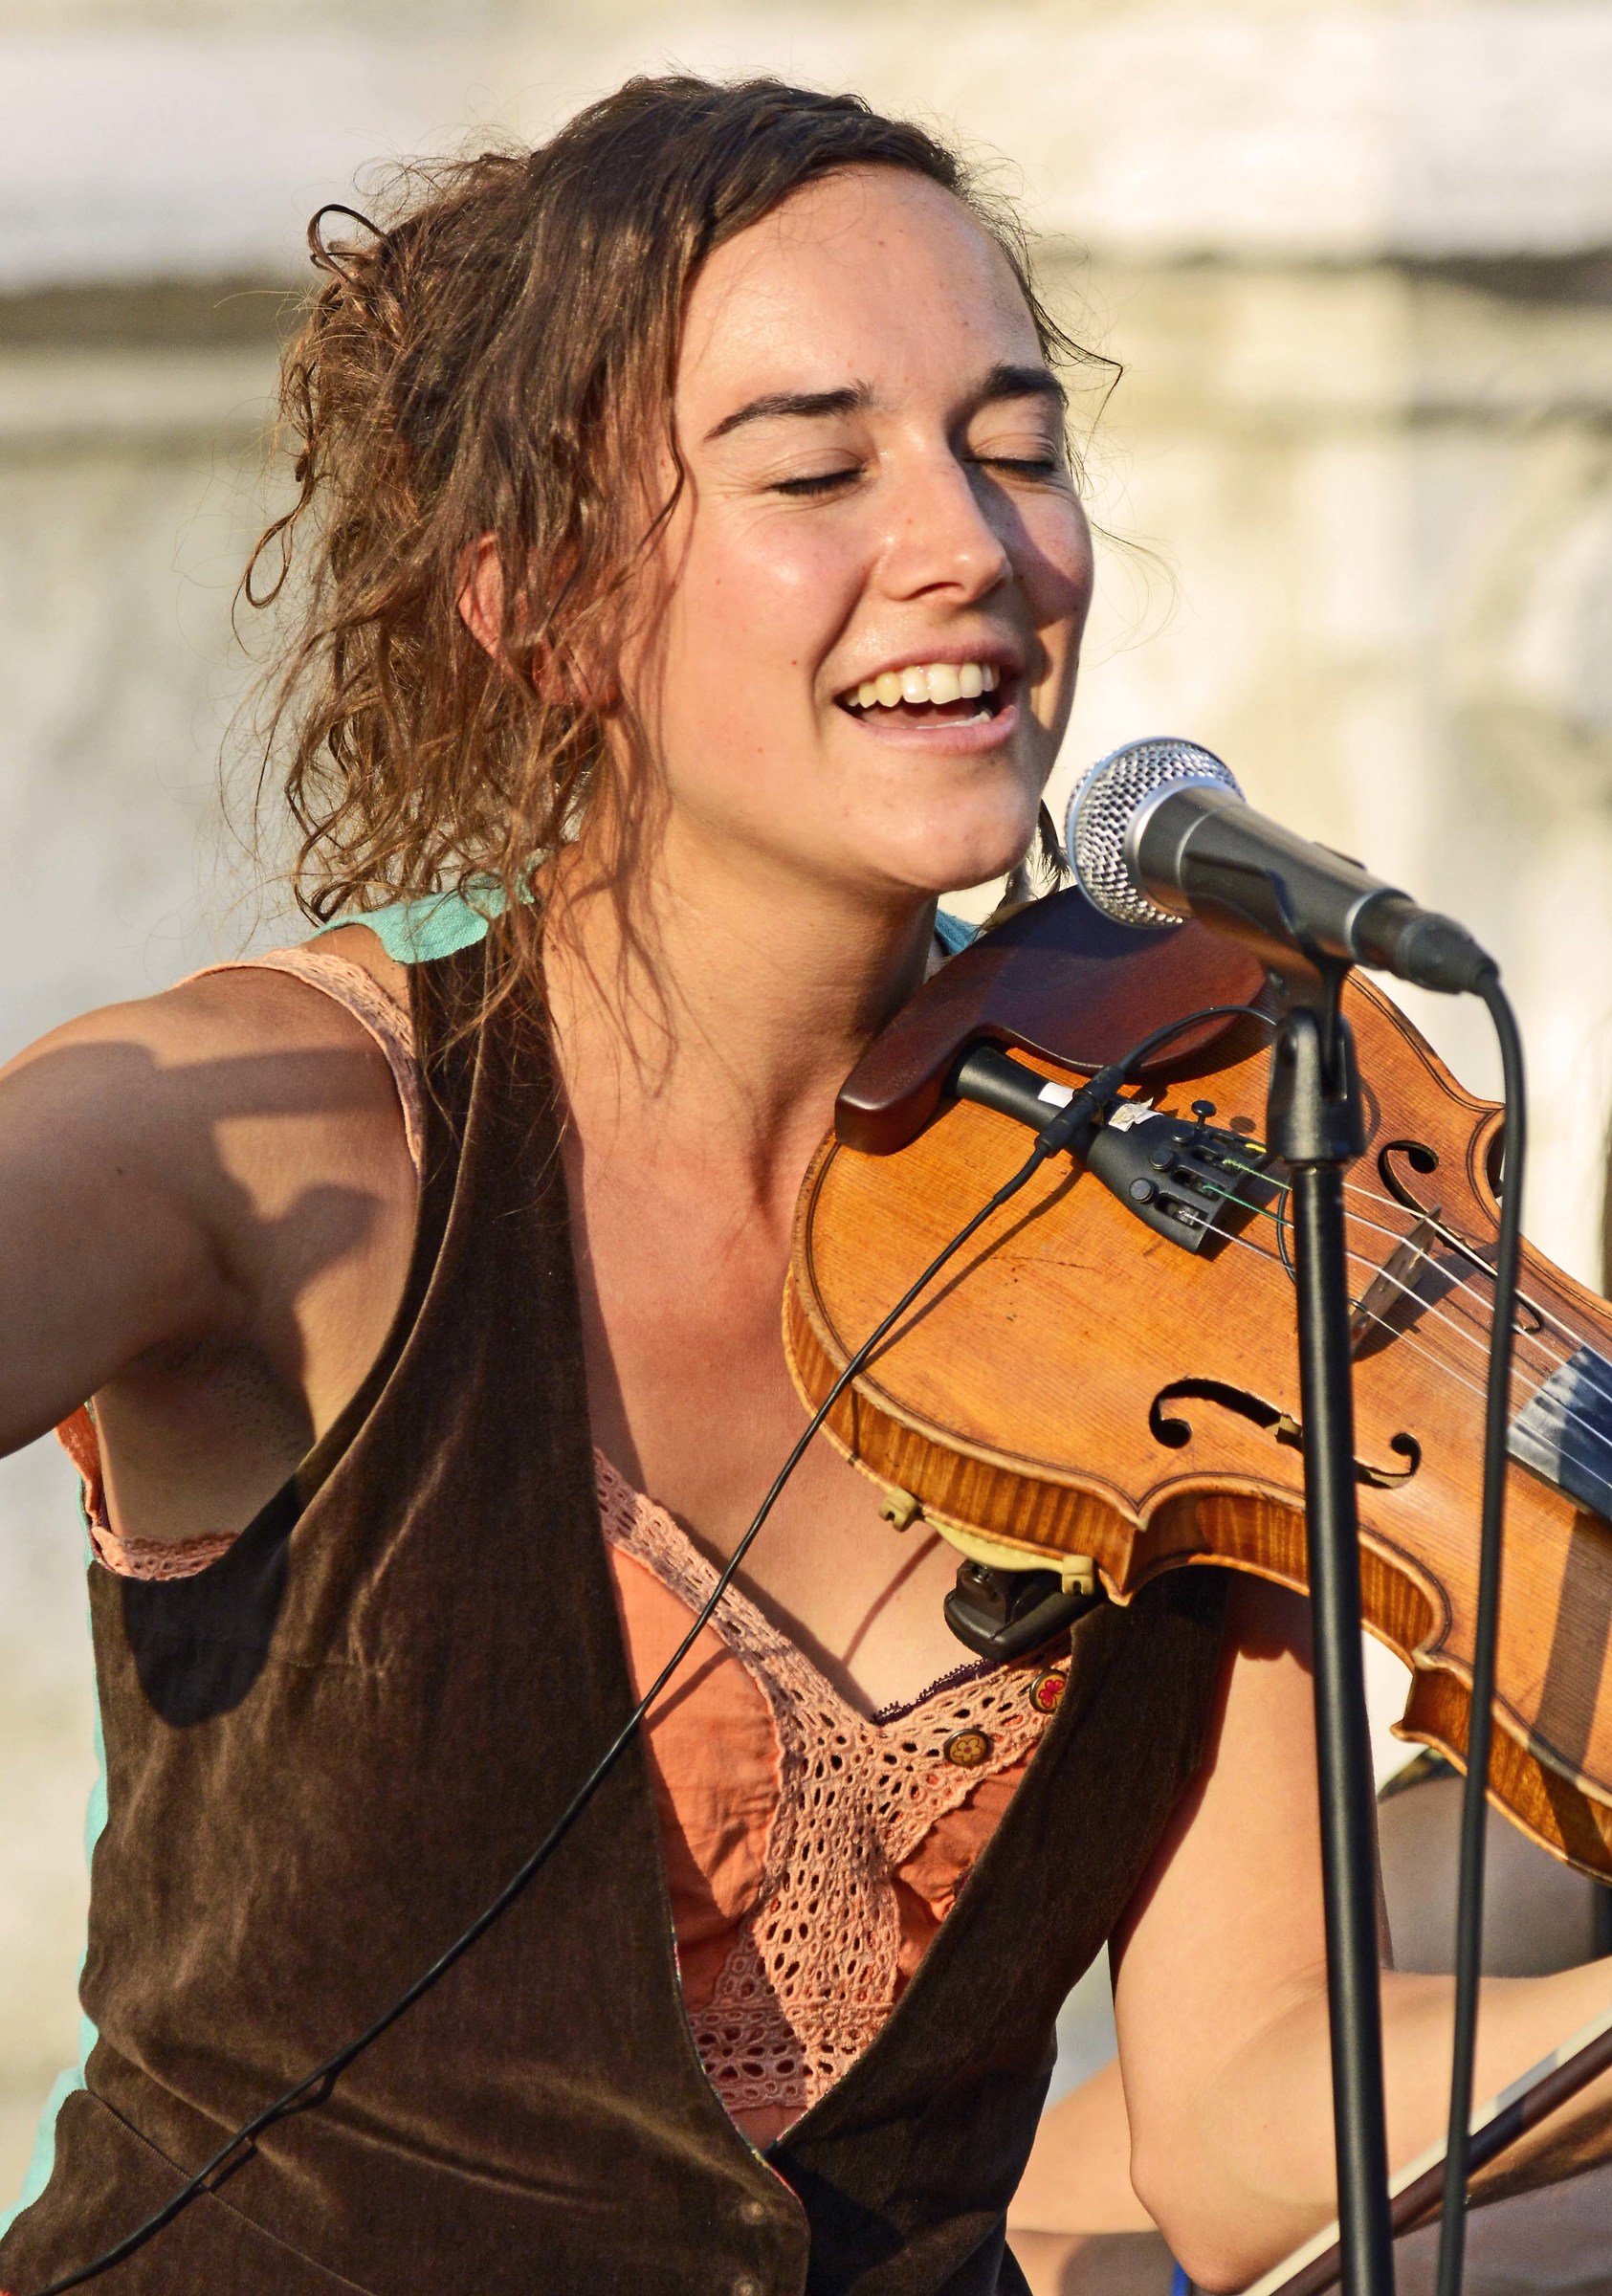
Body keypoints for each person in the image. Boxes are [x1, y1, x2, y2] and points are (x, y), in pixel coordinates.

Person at [0, 75, 1606, 2296]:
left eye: (1017, 447)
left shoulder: (1216, 1212)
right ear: (545, 603)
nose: (970, 545)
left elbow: (1248, 2122)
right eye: (817, 467)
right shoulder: (290, 1138)